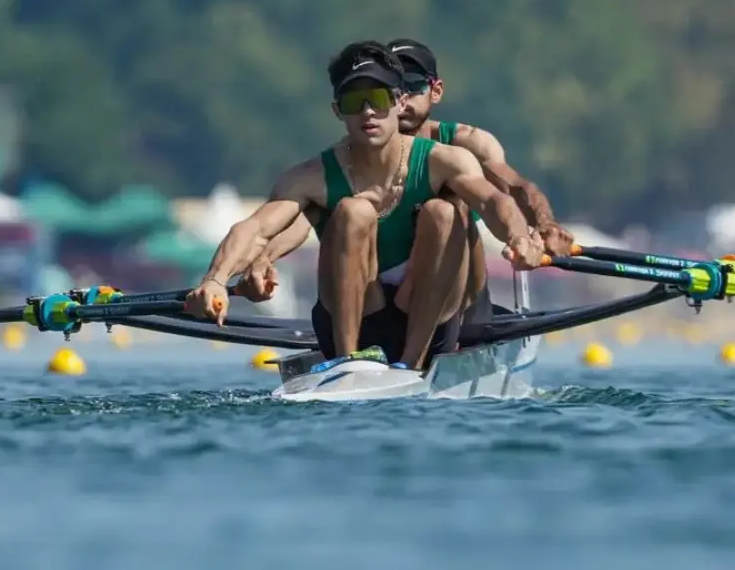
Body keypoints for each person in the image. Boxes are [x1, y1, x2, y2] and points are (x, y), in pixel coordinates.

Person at [183, 40, 544, 371]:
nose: (369, 112)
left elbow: (494, 200)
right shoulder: (310, 177)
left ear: (400, 102)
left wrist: (519, 238)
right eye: (355, 102)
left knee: (443, 212)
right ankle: (346, 361)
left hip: (429, 322)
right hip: (355, 320)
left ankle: (411, 363)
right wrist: (215, 280)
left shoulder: (446, 161)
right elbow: (255, 229)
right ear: (338, 110)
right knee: (353, 211)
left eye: (379, 98)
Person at [241, 38, 574, 322]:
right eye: (388, 89)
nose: (400, 103)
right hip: (377, 299)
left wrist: (542, 227)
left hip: (456, 300)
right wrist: (264, 258)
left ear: (436, 91)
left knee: (450, 205)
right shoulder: (345, 156)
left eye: (412, 87)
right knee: (338, 212)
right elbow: (301, 217)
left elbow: (513, 191)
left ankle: (444, 332)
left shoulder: (466, 145)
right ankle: (358, 343)